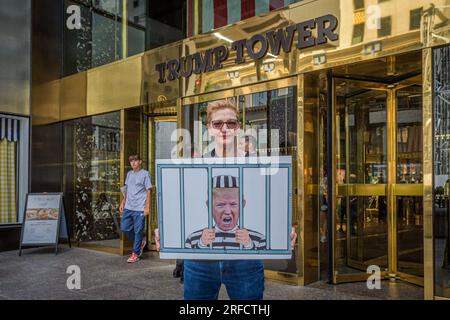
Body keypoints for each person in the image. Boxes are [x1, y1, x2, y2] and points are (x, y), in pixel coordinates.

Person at [156, 100, 296, 300]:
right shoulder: (194, 167)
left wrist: (283, 230)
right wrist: (167, 230)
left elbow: (271, 208)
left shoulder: (259, 167)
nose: (225, 128)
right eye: (218, 124)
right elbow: (183, 207)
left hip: (245, 261)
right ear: (209, 129)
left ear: (238, 127)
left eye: (231, 123)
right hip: (200, 261)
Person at [185, 175, 266, 250]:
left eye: (233, 204)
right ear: (209, 206)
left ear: (242, 204)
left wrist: (249, 244)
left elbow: (261, 263)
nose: (227, 211)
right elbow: (189, 262)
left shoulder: (259, 240)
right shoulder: (193, 240)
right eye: (220, 205)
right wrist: (201, 244)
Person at [119, 154, 152, 263]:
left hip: (139, 208)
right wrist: (123, 202)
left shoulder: (145, 174)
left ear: (140, 162)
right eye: (131, 161)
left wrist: (147, 207)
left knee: (138, 231)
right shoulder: (129, 174)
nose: (133, 163)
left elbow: (148, 191)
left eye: (135, 160)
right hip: (128, 206)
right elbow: (126, 189)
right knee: (124, 227)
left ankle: (135, 253)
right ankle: (140, 243)